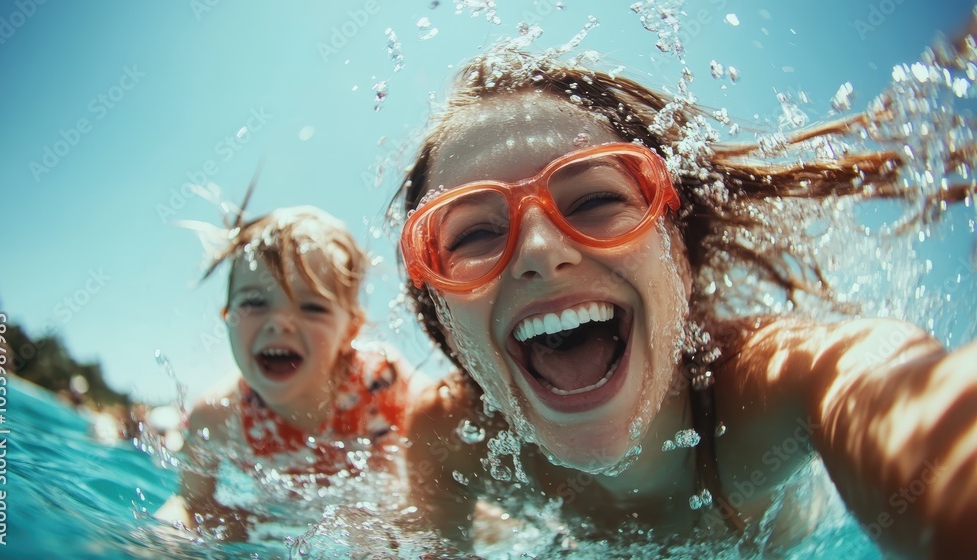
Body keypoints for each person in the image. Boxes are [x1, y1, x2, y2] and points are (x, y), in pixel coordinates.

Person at [392, 43, 977, 558]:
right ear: (444, 318)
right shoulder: (453, 441)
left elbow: (876, 383)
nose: (541, 251)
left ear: (681, 255)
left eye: (595, 199)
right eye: (472, 235)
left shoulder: (776, 385)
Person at [156, 205, 415, 541]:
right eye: (254, 303)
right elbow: (190, 503)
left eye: (312, 307)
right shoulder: (217, 418)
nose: (279, 321)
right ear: (227, 317)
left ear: (350, 331)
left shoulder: (382, 383)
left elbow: (425, 481)